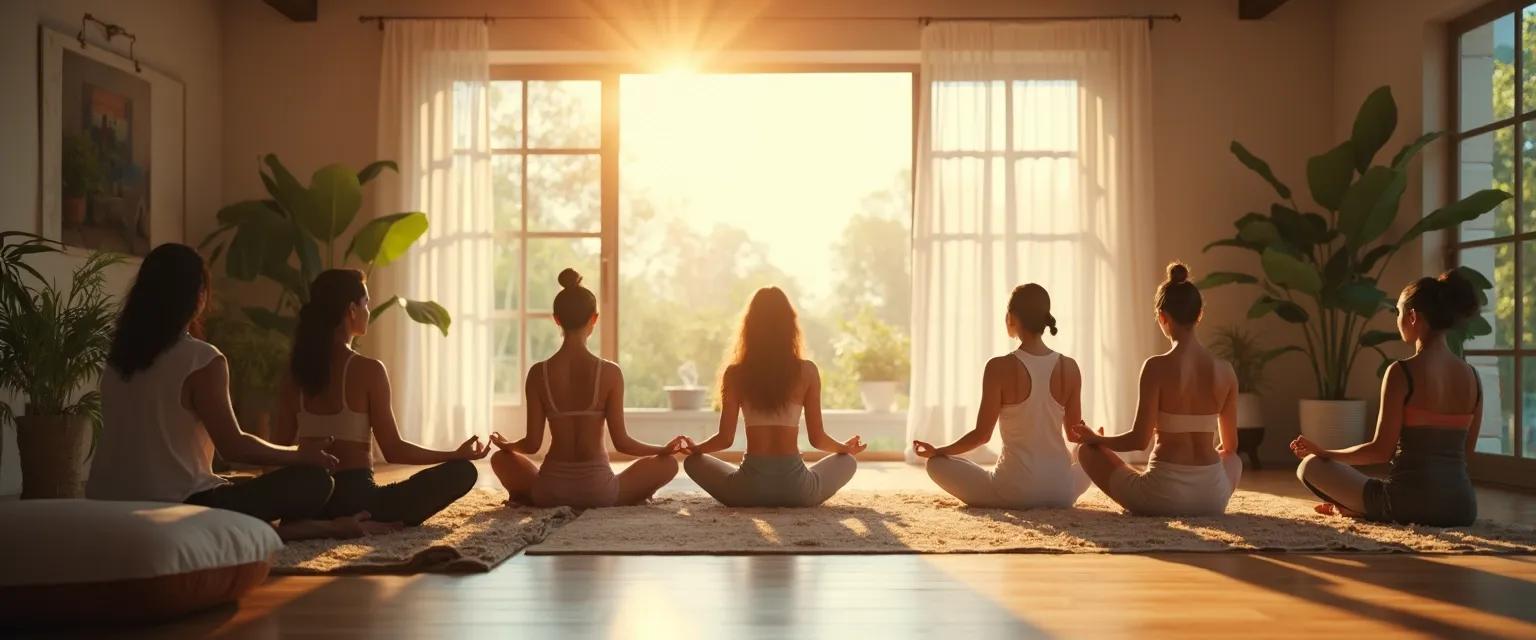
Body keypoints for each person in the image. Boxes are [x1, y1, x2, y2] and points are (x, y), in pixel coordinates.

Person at [88, 244, 361, 540]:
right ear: (198, 295)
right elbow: (235, 447)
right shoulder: (201, 358)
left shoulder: (118, 359)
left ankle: (274, 529)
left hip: (106, 504)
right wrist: (300, 453)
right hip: (179, 508)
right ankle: (311, 529)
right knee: (315, 480)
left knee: (235, 484)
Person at [271, 269, 487, 527]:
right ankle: (367, 522)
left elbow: (276, 451)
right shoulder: (369, 370)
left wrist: (286, 500)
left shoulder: (294, 373)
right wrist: (453, 454)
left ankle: (316, 524)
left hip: (310, 501)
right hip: (359, 500)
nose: (368, 311)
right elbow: (394, 449)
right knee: (462, 472)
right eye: (366, 304)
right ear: (351, 309)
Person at [1291, 271, 1483, 527]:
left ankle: (1361, 510)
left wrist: (1325, 452)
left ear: (1413, 316)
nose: (1398, 319)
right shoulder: (1473, 376)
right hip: (1462, 508)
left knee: (1310, 466)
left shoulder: (1401, 372)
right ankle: (1358, 508)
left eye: (1399, 313)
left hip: (1405, 506)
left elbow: (1380, 451)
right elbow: (1465, 453)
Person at [489, 269, 683, 508]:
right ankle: (630, 498)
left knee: (500, 459)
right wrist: (662, 449)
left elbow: (531, 444)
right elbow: (622, 443)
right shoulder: (611, 373)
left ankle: (525, 497)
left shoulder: (539, 373)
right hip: (599, 492)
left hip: (548, 492)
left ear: (556, 319)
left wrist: (508, 446)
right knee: (669, 464)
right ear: (594, 319)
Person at [1068, 262, 1243, 516]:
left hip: (1161, 498)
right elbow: (1231, 447)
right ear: (1199, 314)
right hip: (1213, 498)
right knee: (1232, 460)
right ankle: (1203, 493)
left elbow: (1139, 440)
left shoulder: (1155, 367)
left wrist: (1097, 439)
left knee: (1086, 451)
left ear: (1162, 317)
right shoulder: (1226, 370)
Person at [681, 286, 863, 507]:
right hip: (798, 492)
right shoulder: (807, 371)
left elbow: (725, 439)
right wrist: (845, 449)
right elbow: (817, 439)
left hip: (746, 492)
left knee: (692, 462)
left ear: (749, 326)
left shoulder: (735, 374)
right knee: (848, 462)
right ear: (790, 326)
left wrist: (696, 449)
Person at [913, 284, 1090, 509]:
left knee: (936, 465)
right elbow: (1076, 435)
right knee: (1090, 457)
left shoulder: (998, 367)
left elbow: (981, 436)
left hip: (1013, 492)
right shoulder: (1070, 367)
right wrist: (1097, 441)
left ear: (1011, 317)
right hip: (1062, 491)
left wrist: (939, 451)